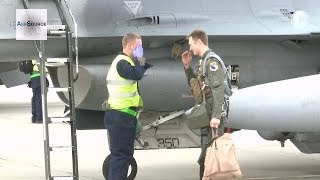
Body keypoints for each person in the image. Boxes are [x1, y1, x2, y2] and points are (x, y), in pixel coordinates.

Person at [104, 33, 151, 180]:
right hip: (120, 116)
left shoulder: (125, 62)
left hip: (124, 116)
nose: (141, 49)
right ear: (130, 46)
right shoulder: (122, 62)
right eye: (139, 46)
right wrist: (141, 60)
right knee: (121, 156)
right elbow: (137, 74)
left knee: (123, 155)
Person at [181, 29, 225, 179]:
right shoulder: (204, 62)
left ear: (199, 42)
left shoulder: (212, 61)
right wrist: (187, 67)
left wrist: (216, 117)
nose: (190, 48)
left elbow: (219, 90)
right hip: (208, 112)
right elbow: (197, 86)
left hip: (213, 114)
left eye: (191, 44)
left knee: (211, 157)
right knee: (206, 155)